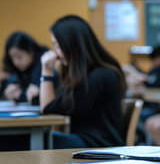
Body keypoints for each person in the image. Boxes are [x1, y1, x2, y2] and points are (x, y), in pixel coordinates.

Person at [40, 15, 127, 149]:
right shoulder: (87, 74)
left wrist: (46, 70)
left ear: (71, 44)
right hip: (87, 142)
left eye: (57, 45)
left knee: (30, 140)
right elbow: (54, 105)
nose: (55, 53)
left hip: (99, 147)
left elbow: (48, 109)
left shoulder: (99, 76)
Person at [1, 31, 58, 105]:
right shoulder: (17, 68)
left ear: (31, 51)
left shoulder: (45, 62)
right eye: (12, 57)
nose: (15, 62)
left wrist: (19, 95)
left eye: (19, 56)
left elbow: (37, 96)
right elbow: (11, 84)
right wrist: (7, 91)